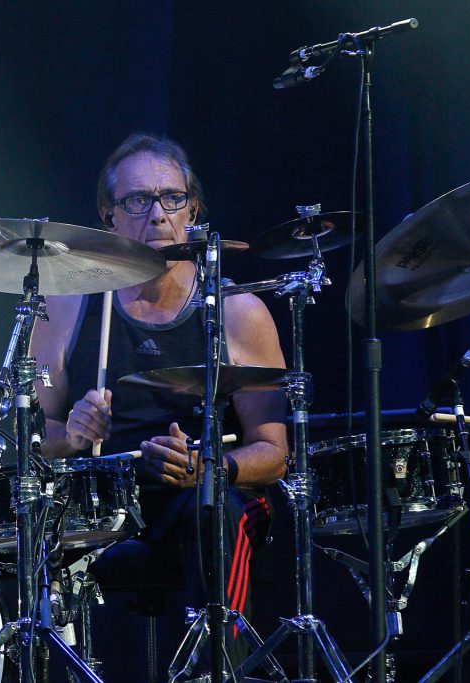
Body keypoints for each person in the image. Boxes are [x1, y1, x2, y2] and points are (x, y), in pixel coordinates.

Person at [30, 132, 288, 680]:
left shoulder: (238, 312)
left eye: (172, 198)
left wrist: (208, 468)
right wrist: (70, 435)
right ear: (108, 217)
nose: (157, 214)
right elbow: (31, 437)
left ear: (193, 211)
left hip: (200, 493)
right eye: (137, 200)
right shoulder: (66, 307)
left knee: (218, 511)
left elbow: (274, 452)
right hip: (98, 502)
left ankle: (216, 671)